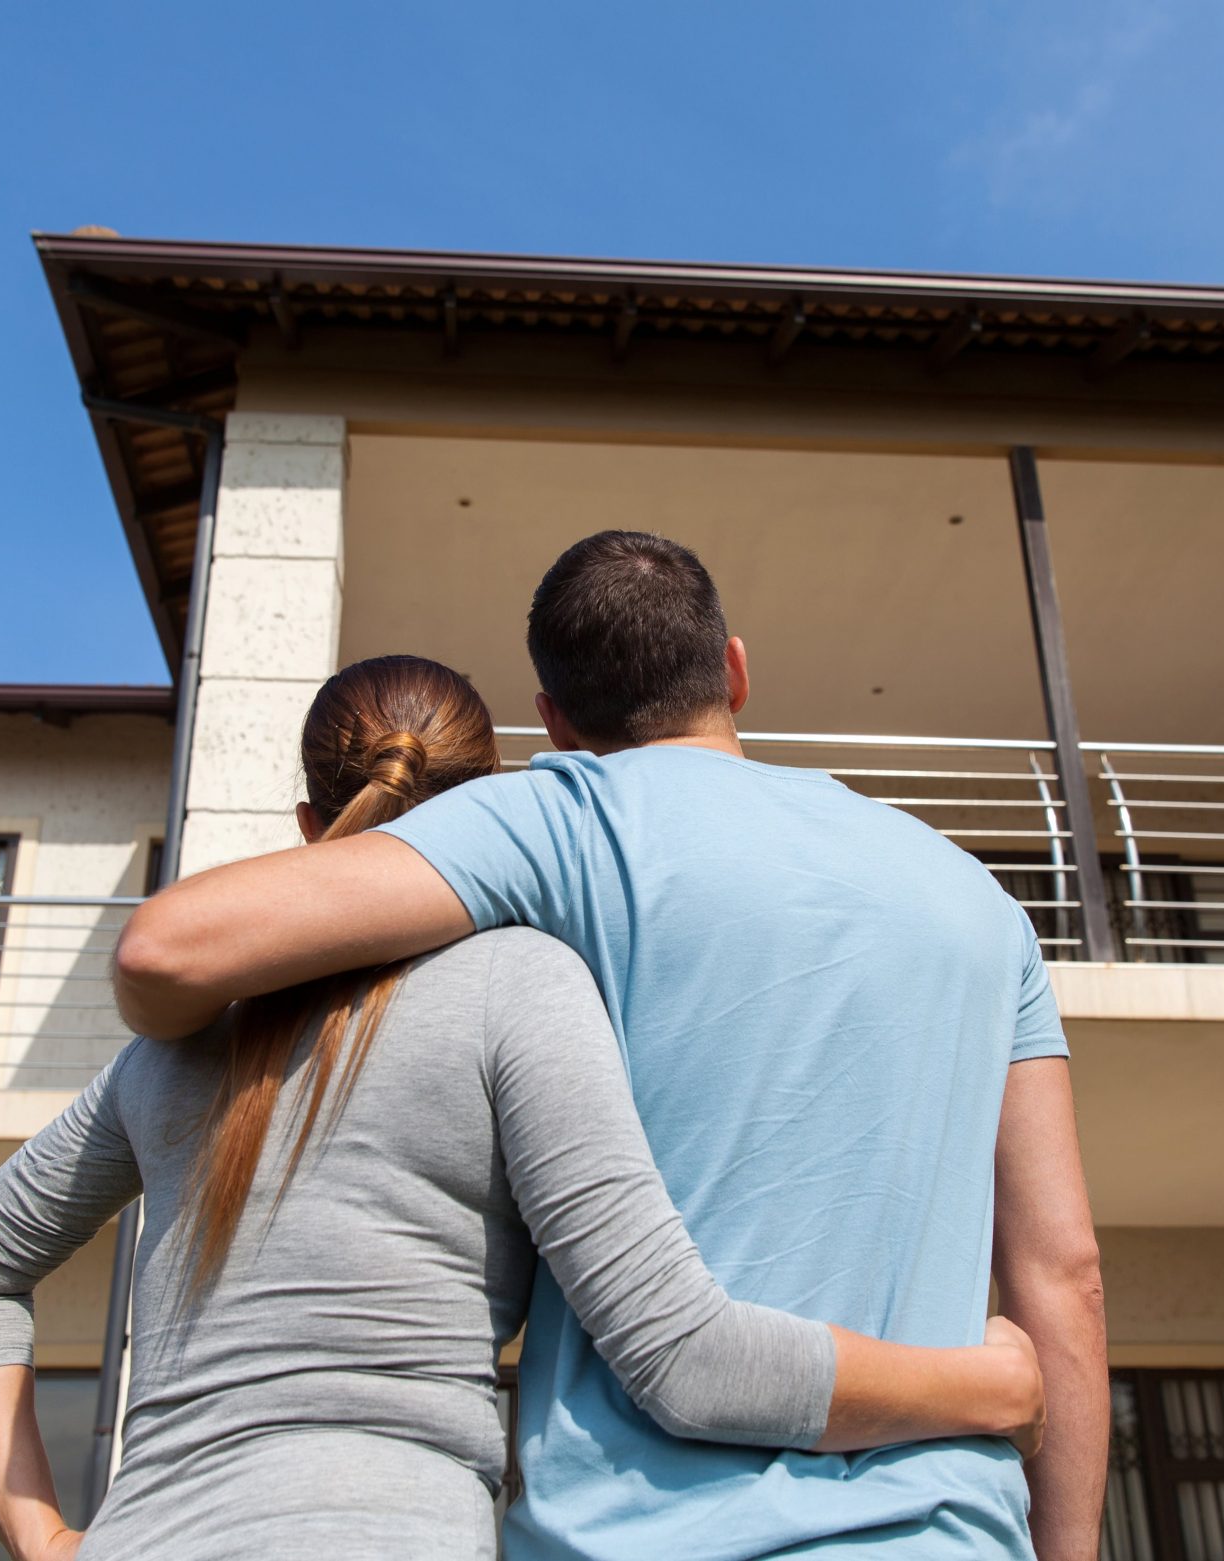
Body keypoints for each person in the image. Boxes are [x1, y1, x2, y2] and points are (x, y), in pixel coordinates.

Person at [0, 654, 1047, 1561]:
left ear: (313, 831)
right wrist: (987, 1382)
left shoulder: (173, 1051)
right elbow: (688, 1361)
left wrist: (42, 1529)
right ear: (481, 816)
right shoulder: (517, 985)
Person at [115, 531, 1109, 1560]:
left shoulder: (559, 817)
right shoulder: (978, 902)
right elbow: (1061, 1271)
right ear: (733, 668)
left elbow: (165, 950)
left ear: (555, 719)